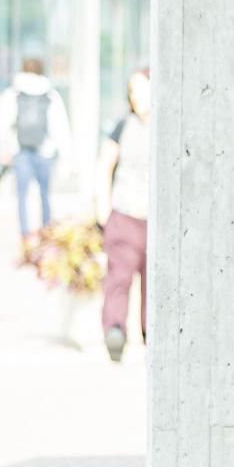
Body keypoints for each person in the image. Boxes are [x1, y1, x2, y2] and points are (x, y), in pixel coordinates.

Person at [95, 68, 154, 363]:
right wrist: (103, 211)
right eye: (133, 92)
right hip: (125, 214)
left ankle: (152, 332)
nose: (138, 98)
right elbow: (105, 165)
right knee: (119, 276)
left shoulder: (169, 126)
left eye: (143, 90)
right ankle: (115, 332)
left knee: (155, 281)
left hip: (157, 219)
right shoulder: (122, 126)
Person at [0, 57, 74, 243]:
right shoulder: (50, 94)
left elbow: (2, 123)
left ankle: (25, 233)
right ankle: (46, 231)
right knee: (44, 193)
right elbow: (60, 127)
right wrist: (65, 155)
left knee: (23, 195)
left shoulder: (14, 92)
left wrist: (4, 148)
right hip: (45, 151)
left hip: (20, 150)